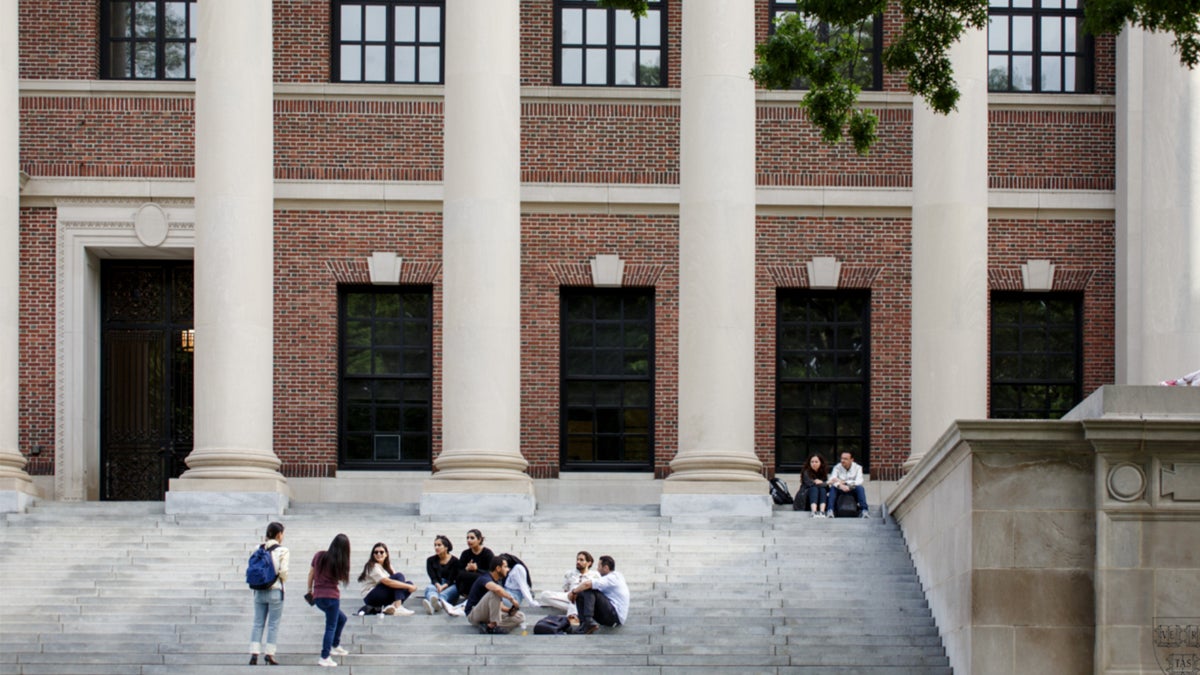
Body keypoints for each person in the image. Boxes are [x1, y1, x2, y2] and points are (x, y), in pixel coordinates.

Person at [308, 534, 351, 667]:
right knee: (331, 626)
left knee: (342, 618)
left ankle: (335, 644)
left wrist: (309, 589)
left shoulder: (319, 555)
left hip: (319, 596)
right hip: (331, 597)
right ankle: (325, 656)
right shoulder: (340, 561)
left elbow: (311, 574)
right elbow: (342, 579)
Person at [248, 522, 288, 666]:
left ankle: (254, 653)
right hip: (275, 591)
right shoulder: (283, 550)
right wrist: (281, 579)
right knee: (273, 624)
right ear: (279, 534)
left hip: (259, 591)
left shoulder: (257, 548)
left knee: (258, 623)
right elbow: (283, 571)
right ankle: (269, 654)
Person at [567, 555, 629, 634]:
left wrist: (573, 592)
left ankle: (588, 621)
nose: (597, 569)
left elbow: (587, 584)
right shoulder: (617, 575)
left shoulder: (612, 578)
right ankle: (583, 624)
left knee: (589, 589)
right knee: (582, 592)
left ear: (606, 568)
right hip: (611, 614)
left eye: (599, 566)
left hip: (615, 617)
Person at [463, 557, 524, 634]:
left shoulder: (497, 583)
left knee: (520, 616)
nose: (508, 569)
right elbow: (496, 589)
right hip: (474, 613)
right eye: (505, 567)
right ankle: (494, 625)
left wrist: (511, 610)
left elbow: (501, 606)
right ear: (498, 568)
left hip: (488, 615)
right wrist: (511, 599)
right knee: (494, 593)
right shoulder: (485, 578)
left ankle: (487, 626)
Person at [356, 542, 416, 616]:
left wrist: (409, 586)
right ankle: (398, 606)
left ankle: (391, 607)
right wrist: (409, 587)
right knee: (400, 578)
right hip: (371, 596)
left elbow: (397, 583)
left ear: (386, 554)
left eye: (381, 552)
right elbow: (388, 582)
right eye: (376, 552)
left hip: (382, 594)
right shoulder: (371, 566)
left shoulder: (388, 566)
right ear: (373, 554)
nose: (378, 554)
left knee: (409, 583)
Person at [447, 528, 493, 616]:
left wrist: (476, 569)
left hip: (483, 585)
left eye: (472, 538)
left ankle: (463, 606)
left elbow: (492, 573)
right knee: (463, 575)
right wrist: (467, 569)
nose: (469, 540)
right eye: (467, 538)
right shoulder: (465, 554)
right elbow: (459, 572)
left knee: (480, 578)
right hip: (467, 586)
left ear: (479, 539)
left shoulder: (487, 553)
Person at [539, 551, 600, 615]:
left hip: (585, 598)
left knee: (577, 600)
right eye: (577, 559)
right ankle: (577, 609)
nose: (578, 562)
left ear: (589, 563)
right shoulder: (569, 573)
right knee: (544, 595)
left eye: (581, 560)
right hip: (570, 596)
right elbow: (566, 590)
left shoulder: (595, 575)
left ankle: (574, 612)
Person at [421, 534, 461, 615]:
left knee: (453, 589)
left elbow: (452, 578)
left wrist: (444, 586)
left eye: (439, 545)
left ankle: (437, 603)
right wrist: (438, 585)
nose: (436, 547)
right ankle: (433, 601)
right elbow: (433, 577)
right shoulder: (430, 560)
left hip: (450, 585)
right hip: (436, 584)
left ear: (446, 547)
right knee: (430, 588)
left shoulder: (455, 561)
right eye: (435, 545)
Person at [827, 451, 870, 518]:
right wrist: (840, 485)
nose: (842, 460)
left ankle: (864, 511)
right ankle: (830, 511)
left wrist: (846, 483)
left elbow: (859, 481)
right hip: (840, 489)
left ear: (852, 460)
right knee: (833, 488)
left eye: (845, 459)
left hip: (852, 488)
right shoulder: (837, 467)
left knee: (860, 488)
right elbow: (832, 479)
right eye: (841, 458)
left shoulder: (858, 467)